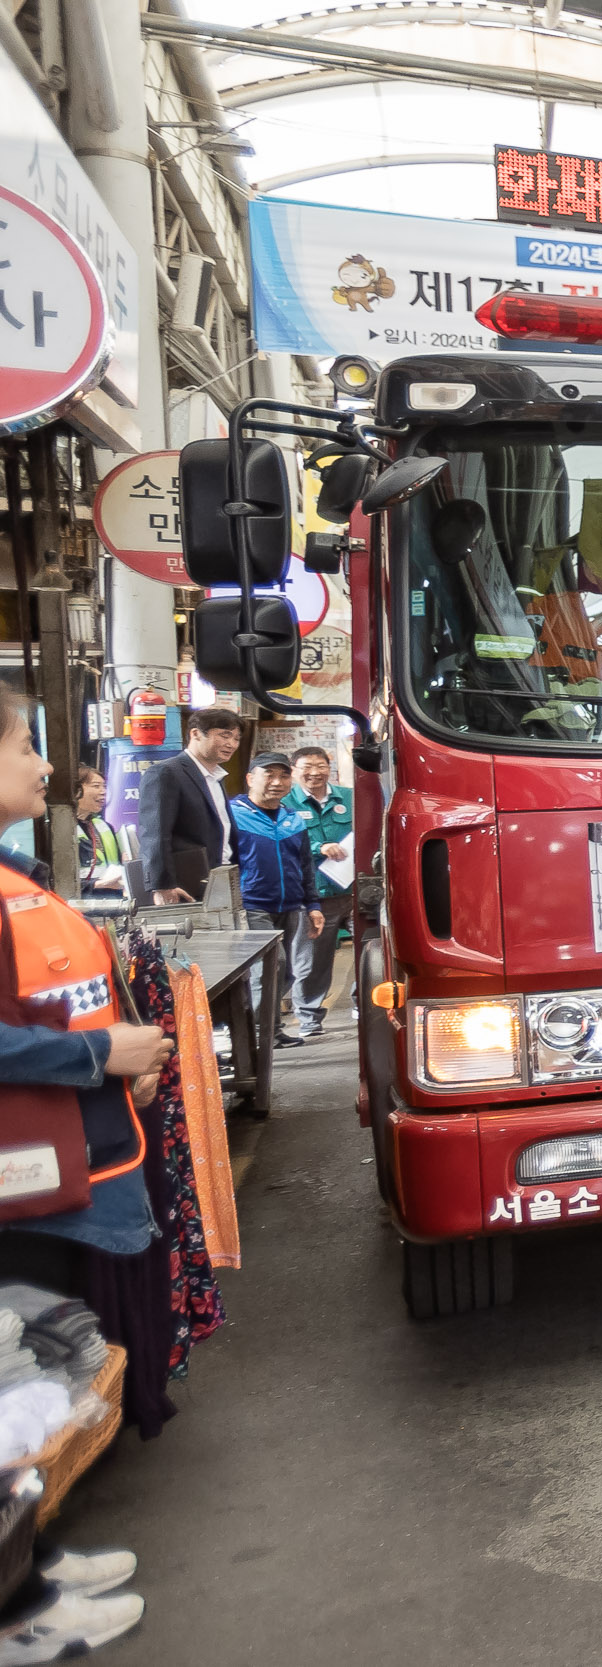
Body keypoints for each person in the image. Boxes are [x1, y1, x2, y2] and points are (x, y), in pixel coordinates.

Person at [0, 695, 159, 1660]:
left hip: (59, 1158)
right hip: (34, 1157)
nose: (44, 764)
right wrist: (100, 1054)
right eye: (23, 743)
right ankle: (17, 1612)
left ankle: (30, 1559)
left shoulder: (13, 873)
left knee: (18, 1373)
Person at [229, 754, 321, 1049]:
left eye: (283, 776)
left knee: (286, 971)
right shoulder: (233, 815)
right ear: (250, 778)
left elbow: (306, 866)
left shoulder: (292, 817)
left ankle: (270, 1030)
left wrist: (314, 905)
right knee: (272, 966)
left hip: (290, 906)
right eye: (268, 775)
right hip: (251, 904)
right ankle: (260, 1034)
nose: (277, 782)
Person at [137, 708, 241, 904]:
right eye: (225, 736)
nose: (232, 744)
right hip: (184, 884)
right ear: (195, 734)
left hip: (223, 877)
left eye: (236, 738)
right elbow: (154, 833)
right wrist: (162, 885)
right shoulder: (166, 772)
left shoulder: (217, 778)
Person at [283, 746, 352, 1039]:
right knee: (313, 959)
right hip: (314, 895)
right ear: (294, 770)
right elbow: (286, 841)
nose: (315, 772)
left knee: (372, 950)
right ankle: (309, 1018)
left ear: (329, 766)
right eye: (307, 767)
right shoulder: (285, 803)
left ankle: (368, 1007)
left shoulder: (349, 797)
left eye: (320, 765)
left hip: (355, 889)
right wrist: (318, 848)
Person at [70, 767, 124, 899]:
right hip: (82, 903)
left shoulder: (104, 827)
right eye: (96, 786)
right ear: (77, 790)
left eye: (104, 786)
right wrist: (99, 884)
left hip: (112, 901)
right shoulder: (61, 830)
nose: (103, 792)